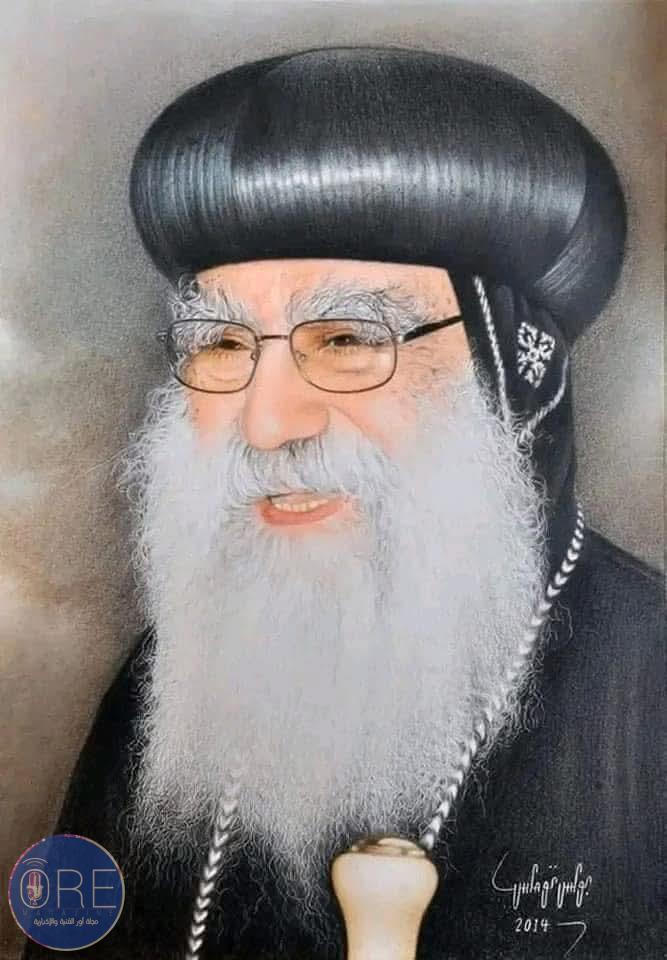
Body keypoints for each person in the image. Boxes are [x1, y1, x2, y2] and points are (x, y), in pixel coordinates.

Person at [24, 46, 663, 960]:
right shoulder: (162, 688)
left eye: (349, 339)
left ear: (520, 377)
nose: (266, 422)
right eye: (220, 344)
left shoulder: (648, 691)